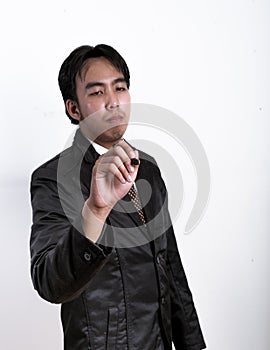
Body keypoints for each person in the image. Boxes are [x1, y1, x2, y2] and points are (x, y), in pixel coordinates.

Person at [30, 44, 206, 350]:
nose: (113, 102)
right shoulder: (54, 177)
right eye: (97, 93)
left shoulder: (146, 167)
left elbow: (170, 265)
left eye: (120, 88)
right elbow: (50, 283)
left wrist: (192, 344)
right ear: (74, 108)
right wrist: (95, 211)